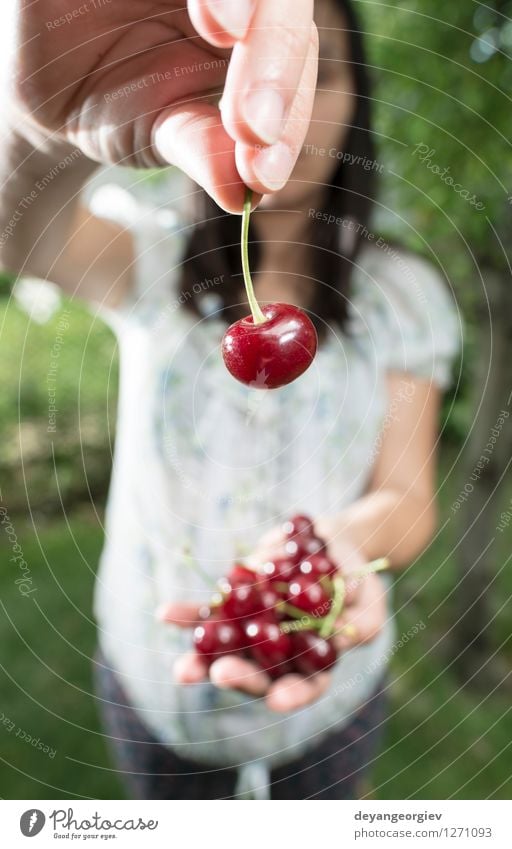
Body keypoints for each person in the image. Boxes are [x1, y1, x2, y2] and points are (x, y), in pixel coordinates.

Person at [0, 0, 459, 799]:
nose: (288, 111)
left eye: (321, 78)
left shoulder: (402, 298)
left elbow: (408, 497)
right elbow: (15, 230)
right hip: (155, 680)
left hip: (326, 684)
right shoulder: (151, 258)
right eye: (264, 81)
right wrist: (42, 130)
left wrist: (334, 544)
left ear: (357, 105)